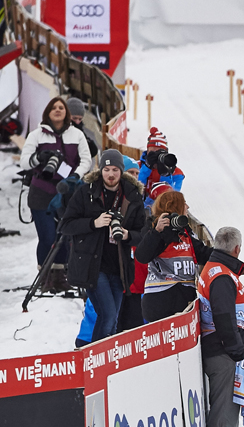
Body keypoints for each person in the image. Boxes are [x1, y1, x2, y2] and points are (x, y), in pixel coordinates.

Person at [59, 150, 143, 343]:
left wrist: (128, 234)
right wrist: (93, 223)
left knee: (112, 322)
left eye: (115, 169)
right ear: (100, 170)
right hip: (92, 266)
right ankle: (93, 360)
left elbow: (143, 233)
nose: (110, 174)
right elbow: (65, 225)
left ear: (121, 171)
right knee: (108, 316)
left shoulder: (132, 196)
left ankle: (102, 362)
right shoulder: (86, 192)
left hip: (119, 266)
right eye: (106, 169)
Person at [196, 226, 244, 427]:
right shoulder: (221, 275)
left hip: (218, 348)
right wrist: (236, 348)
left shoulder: (214, 267)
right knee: (225, 412)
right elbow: (223, 315)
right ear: (237, 249)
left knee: (226, 412)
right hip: (221, 353)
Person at [19, 96, 92, 267]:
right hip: (41, 192)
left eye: (61, 107)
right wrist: (39, 157)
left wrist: (76, 176)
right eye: (54, 108)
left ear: (66, 112)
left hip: (68, 192)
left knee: (65, 236)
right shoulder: (36, 135)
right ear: (47, 113)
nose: (58, 110)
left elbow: (86, 160)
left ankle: (60, 275)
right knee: (47, 237)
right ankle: (45, 276)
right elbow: (24, 162)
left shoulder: (77, 134)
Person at [136, 189, 212, 322]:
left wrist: (226, 253)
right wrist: (157, 232)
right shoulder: (153, 228)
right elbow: (142, 256)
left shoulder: (186, 233)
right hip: (160, 299)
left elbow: (203, 253)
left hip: (184, 299)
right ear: (175, 206)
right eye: (184, 203)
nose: (187, 207)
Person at [137, 128, 184, 208]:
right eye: (153, 152)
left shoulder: (177, 174)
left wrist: (165, 172)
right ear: (147, 151)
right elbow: (135, 189)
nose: (156, 156)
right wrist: (147, 167)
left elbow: (171, 198)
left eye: (159, 152)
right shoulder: (136, 167)